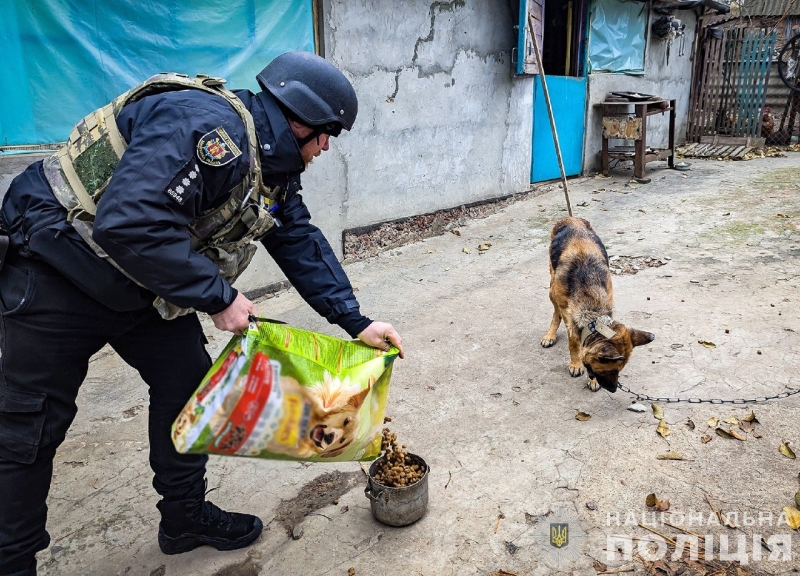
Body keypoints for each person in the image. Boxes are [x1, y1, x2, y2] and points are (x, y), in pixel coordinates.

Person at [0, 51, 404, 575]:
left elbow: (297, 238)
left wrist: (356, 321)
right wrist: (218, 297)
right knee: (27, 429)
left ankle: (184, 519)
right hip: (57, 269)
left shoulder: (271, 166)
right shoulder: (207, 129)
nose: (325, 148)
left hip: (137, 282)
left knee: (190, 385)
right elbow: (127, 221)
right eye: (325, 133)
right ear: (297, 118)